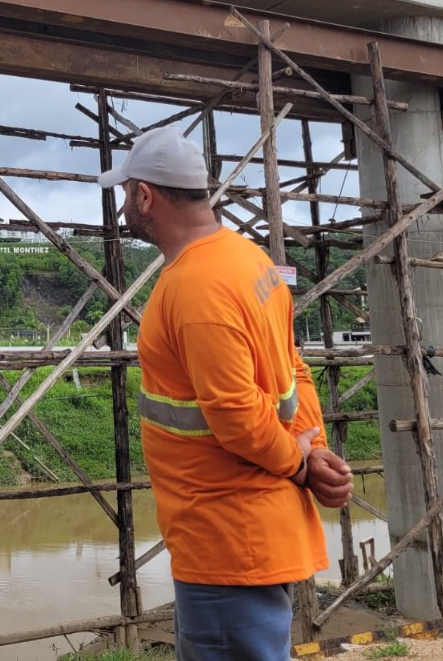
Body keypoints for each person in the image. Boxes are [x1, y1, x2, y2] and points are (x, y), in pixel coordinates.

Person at [99, 126, 353, 661]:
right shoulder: (250, 260)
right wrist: (316, 446)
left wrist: (304, 464)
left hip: (226, 537)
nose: (123, 204)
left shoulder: (194, 285)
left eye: (126, 192)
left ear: (145, 195)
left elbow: (237, 414)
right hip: (253, 527)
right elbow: (293, 368)